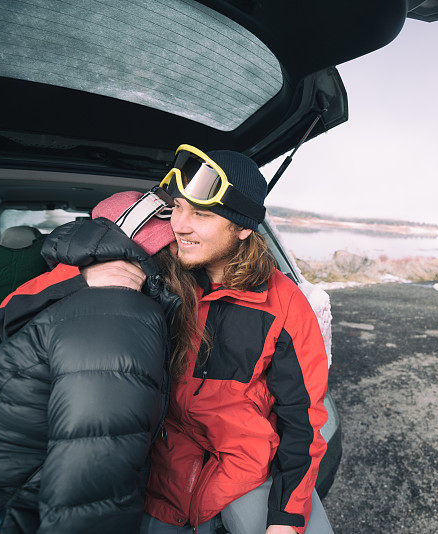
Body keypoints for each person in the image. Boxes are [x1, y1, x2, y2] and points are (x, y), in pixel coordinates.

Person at [82, 147, 333, 534]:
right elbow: (19, 304)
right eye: (177, 208)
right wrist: (84, 281)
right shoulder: (155, 272)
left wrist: (286, 518)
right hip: (160, 474)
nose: (180, 225)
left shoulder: (283, 304)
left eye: (200, 214)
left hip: (245, 471)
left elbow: (302, 419)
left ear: (243, 228)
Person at [0, 190, 184, 533]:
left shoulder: (78, 289)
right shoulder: (119, 314)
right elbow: (91, 486)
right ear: (160, 249)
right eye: (180, 242)